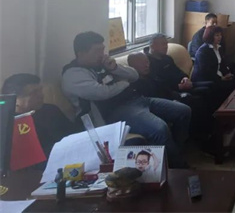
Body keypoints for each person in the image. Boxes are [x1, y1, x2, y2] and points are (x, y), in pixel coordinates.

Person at [61, 31, 191, 168]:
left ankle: (174, 154)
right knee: (159, 128)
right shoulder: (73, 75)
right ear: (81, 53)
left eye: (102, 49)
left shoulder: (103, 64)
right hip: (116, 112)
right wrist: (124, 83)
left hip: (138, 100)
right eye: (97, 51)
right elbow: (102, 92)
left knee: (183, 111)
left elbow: (134, 75)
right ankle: (179, 168)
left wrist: (115, 68)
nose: (102, 54)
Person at [1, 74, 80, 157]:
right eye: (34, 92)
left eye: (40, 90)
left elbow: (74, 135)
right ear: (15, 99)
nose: (41, 95)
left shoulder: (51, 110)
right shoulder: (6, 122)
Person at [193, 26, 235, 105]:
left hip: (217, 75)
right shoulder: (203, 51)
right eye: (217, 35)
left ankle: (229, 107)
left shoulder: (219, 48)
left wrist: (227, 73)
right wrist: (221, 78)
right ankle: (222, 109)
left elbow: (222, 64)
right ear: (210, 36)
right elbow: (206, 71)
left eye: (220, 35)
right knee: (227, 86)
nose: (220, 37)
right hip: (204, 78)